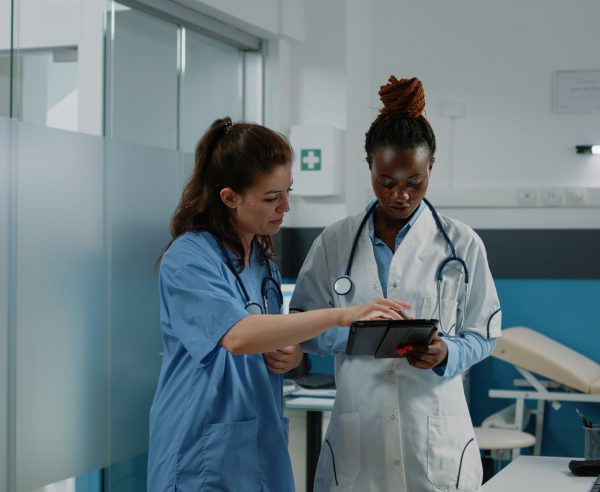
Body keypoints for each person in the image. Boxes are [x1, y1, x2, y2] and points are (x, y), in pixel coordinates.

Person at [147, 117, 409, 492]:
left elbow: (268, 335)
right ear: (229, 198)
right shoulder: (188, 259)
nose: (286, 206)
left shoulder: (263, 257)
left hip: (259, 440)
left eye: (288, 190)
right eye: (271, 198)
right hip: (201, 448)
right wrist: (344, 314)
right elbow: (238, 336)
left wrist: (293, 354)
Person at [290, 77, 502, 492]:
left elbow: (485, 332)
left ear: (431, 168)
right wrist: (352, 335)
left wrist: (447, 352)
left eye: (414, 181)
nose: (400, 195)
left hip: (435, 432)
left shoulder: (462, 243)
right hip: (359, 431)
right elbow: (301, 324)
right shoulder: (335, 241)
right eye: (386, 182)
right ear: (369, 165)